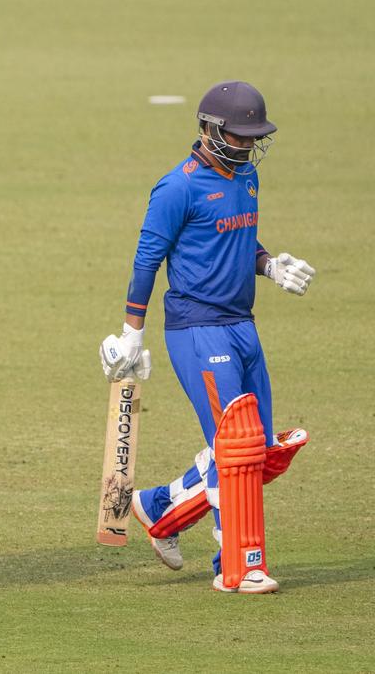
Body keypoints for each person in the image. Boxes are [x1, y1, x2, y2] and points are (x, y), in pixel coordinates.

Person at [99, 81, 316, 593]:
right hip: (197, 328)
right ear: (209, 129)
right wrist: (131, 334)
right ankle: (234, 565)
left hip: (243, 324)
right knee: (234, 447)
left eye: (254, 137)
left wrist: (269, 265)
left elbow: (238, 237)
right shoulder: (177, 188)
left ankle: (159, 508)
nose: (248, 145)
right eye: (239, 136)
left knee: (258, 452)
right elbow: (147, 260)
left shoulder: (248, 176)